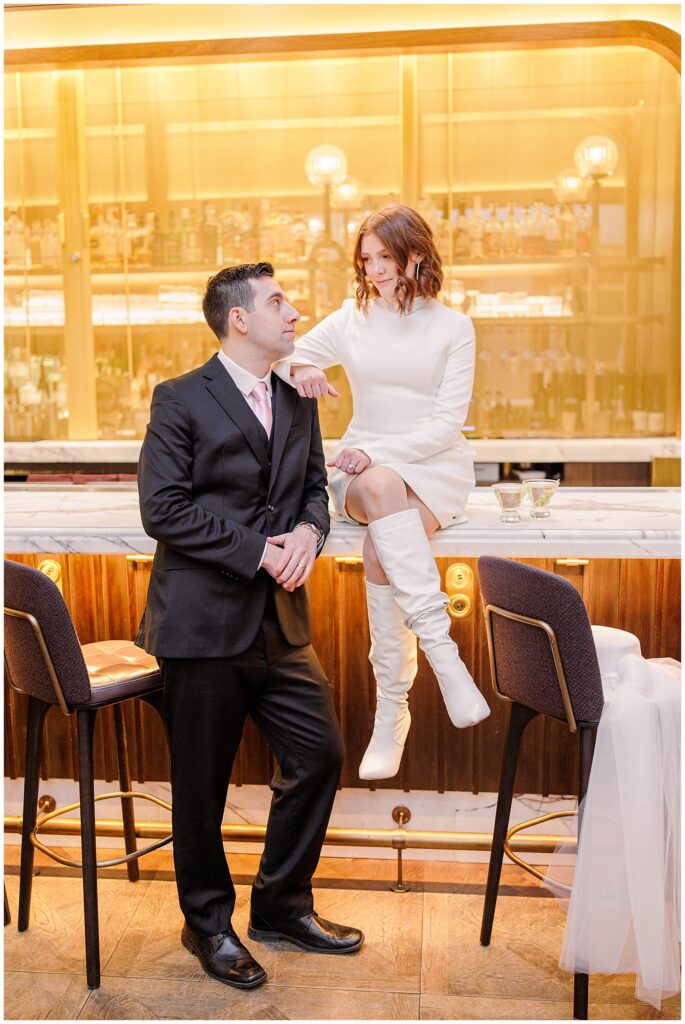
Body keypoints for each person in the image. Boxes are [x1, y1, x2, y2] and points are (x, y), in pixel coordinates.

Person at [136, 263, 363, 991]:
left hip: (280, 623)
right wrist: (257, 551)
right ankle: (207, 924)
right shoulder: (179, 398)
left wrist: (307, 532)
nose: (293, 312)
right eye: (277, 302)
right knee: (200, 783)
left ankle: (280, 905)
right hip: (201, 621)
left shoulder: (298, 396)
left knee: (320, 754)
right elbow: (162, 509)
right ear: (239, 319)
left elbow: (315, 490)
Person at [272, 204, 490, 781]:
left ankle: (393, 707)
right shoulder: (351, 318)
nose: (374, 270)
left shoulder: (454, 327)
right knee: (378, 485)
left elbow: (447, 424)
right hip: (361, 470)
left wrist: (381, 453)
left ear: (415, 254)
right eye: (365, 260)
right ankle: (445, 661)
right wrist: (302, 371)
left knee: (379, 550)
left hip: (434, 467)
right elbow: (278, 357)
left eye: (384, 258)